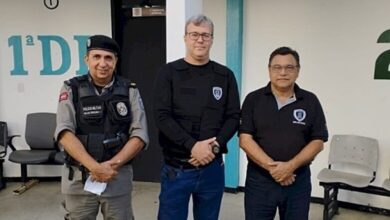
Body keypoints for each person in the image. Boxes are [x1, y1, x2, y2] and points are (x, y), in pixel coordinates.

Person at [153, 14, 240, 220]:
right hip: (177, 168)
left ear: (212, 39)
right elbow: (162, 116)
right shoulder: (168, 72)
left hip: (212, 169)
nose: (200, 40)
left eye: (205, 35)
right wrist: (193, 146)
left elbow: (233, 117)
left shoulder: (225, 75)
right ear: (185, 38)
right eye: (194, 34)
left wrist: (214, 146)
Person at [55, 35, 149, 220]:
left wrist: (110, 166)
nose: (102, 63)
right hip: (79, 178)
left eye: (108, 58)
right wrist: (94, 167)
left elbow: (140, 134)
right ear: (86, 59)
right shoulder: (71, 88)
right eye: (96, 56)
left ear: (115, 61)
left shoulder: (129, 89)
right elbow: (64, 132)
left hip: (117, 176)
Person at [239, 46, 328, 220]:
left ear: (298, 71)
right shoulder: (253, 99)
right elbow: (245, 139)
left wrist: (290, 167)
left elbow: (318, 141)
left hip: (297, 182)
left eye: (289, 67)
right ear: (269, 70)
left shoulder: (310, 101)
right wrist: (275, 169)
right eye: (277, 67)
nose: (283, 72)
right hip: (260, 183)